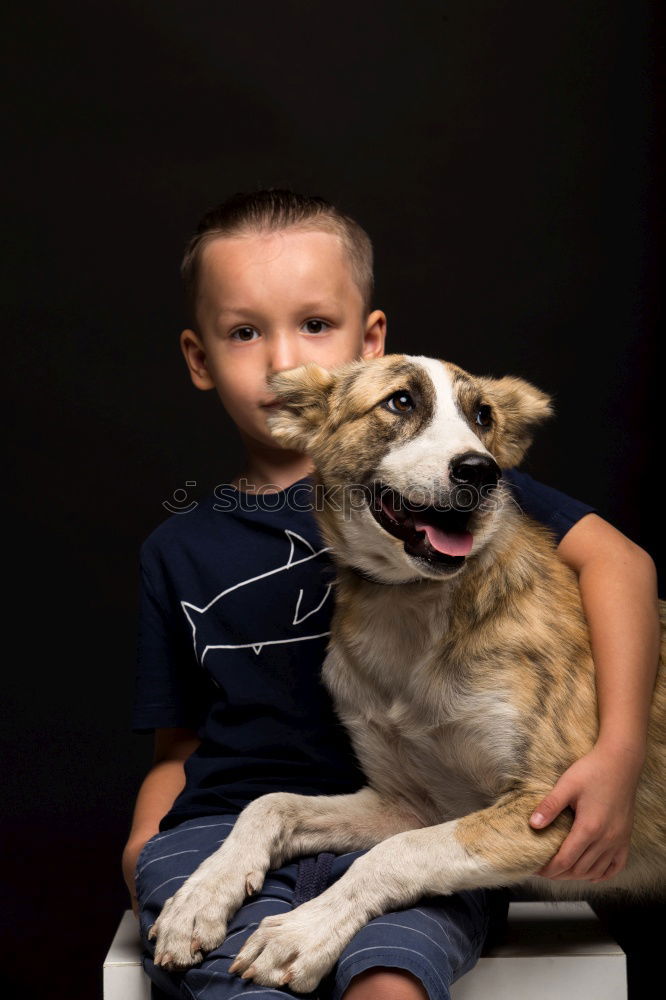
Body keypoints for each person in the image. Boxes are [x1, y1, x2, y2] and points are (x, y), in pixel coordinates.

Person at [123, 189, 660, 1000]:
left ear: (368, 337)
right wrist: (147, 842)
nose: (284, 363)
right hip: (296, 819)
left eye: (313, 325)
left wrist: (618, 753)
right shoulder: (188, 547)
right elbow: (182, 745)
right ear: (200, 357)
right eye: (245, 332)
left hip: (485, 829)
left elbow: (620, 563)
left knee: (388, 975)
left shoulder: (479, 493)